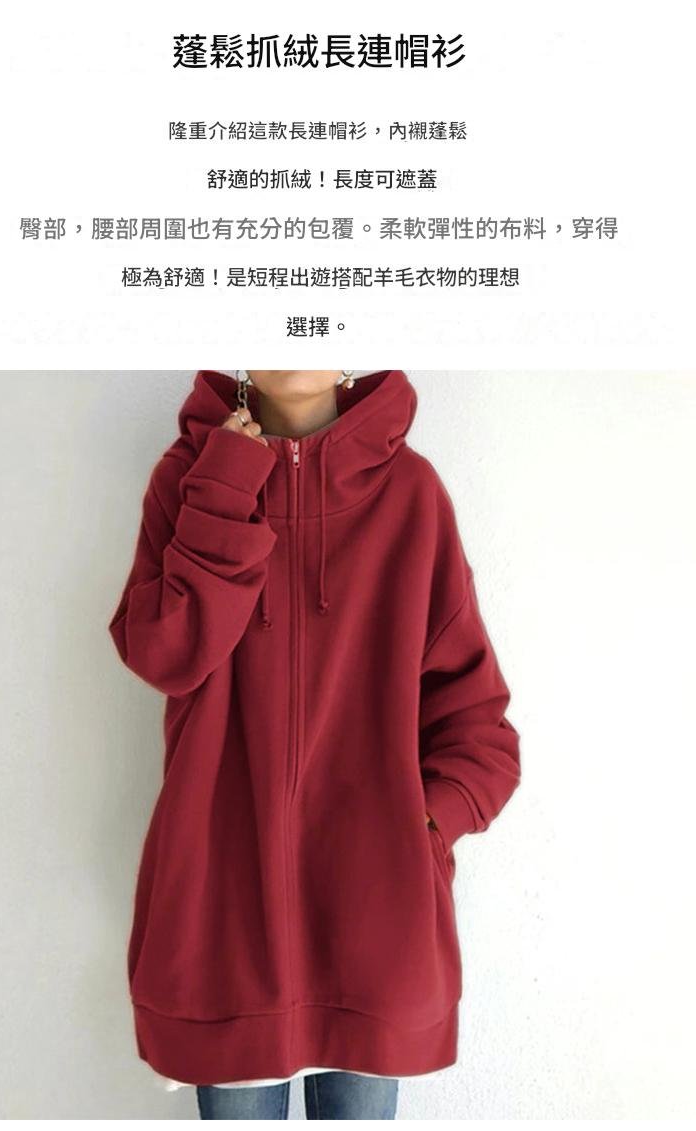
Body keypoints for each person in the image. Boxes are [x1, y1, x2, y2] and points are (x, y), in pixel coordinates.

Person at [108, 369, 521, 1120]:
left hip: (376, 932)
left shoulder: (411, 495)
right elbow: (164, 654)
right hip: (222, 926)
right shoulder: (189, 479)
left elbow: (476, 717)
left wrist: (424, 827)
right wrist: (226, 485)